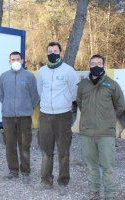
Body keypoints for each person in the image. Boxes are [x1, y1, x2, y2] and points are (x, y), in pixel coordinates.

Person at [76, 54, 125, 200]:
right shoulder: (83, 85)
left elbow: (120, 105)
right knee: (91, 165)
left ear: (103, 65)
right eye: (93, 63)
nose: (96, 65)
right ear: (89, 65)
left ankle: (110, 194)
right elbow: (80, 103)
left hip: (106, 133)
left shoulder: (112, 85)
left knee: (108, 167)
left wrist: (108, 118)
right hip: (87, 133)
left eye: (99, 63)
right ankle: (94, 192)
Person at [36, 42, 79, 191]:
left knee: (63, 151)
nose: (52, 53)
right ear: (46, 53)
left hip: (63, 116)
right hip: (45, 115)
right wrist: (47, 104)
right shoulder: (41, 71)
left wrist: (64, 102)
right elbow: (40, 90)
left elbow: (74, 92)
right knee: (46, 150)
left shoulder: (69, 71)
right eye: (49, 51)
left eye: (55, 51)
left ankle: (63, 182)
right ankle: (46, 180)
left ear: (60, 52)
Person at [0, 51, 39, 184]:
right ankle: (13, 171)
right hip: (8, 117)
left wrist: (26, 108)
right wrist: (8, 107)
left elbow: (35, 96)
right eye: (12, 59)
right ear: (9, 61)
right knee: (10, 145)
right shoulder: (4, 77)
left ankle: (26, 172)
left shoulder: (29, 76)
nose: (15, 61)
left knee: (24, 145)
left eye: (17, 59)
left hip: (24, 117)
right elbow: (1, 96)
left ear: (22, 60)